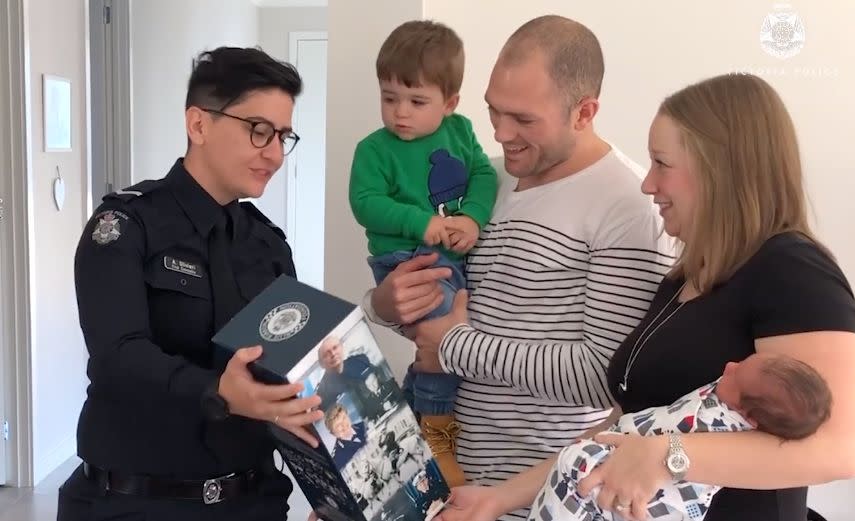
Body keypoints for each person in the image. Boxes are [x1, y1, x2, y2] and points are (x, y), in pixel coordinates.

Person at [432, 73, 855, 521]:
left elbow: (838, 448)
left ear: (719, 169)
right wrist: (501, 497)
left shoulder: (791, 270)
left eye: (661, 163)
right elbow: (625, 427)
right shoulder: (683, 280)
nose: (647, 184)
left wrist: (669, 454)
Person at [365, 15, 675, 520]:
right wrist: (380, 305)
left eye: (524, 120)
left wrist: (453, 345)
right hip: (448, 486)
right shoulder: (487, 179)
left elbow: (605, 378)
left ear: (584, 111)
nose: (501, 133)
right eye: (494, 111)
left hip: (543, 499)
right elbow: (441, 304)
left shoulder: (629, 207)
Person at [57, 46, 325, 521]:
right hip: (133, 504)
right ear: (199, 125)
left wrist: (335, 491)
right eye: (259, 131)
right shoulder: (125, 225)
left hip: (253, 502)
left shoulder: (268, 245)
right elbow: (117, 355)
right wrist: (219, 390)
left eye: (284, 136)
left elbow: (290, 375)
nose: (276, 154)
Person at [349, 19, 499, 487]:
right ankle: (437, 439)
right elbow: (366, 203)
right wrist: (426, 223)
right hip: (406, 258)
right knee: (442, 345)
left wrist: (472, 218)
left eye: (417, 101)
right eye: (389, 98)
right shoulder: (374, 149)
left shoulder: (459, 131)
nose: (400, 114)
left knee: (446, 341)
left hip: (450, 256)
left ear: (450, 102)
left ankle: (412, 418)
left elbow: (484, 176)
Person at [529, 352, 833, 521]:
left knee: (576, 472)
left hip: (641, 499)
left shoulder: (720, 428)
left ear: (749, 418)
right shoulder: (743, 394)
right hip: (621, 460)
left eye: (735, 376)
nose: (729, 366)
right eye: (742, 362)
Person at [315, 336, 396, 421]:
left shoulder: (359, 360)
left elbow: (379, 377)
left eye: (335, 348)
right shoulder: (324, 388)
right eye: (326, 354)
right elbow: (326, 417)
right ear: (322, 364)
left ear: (341, 348)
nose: (333, 354)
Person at [325, 404, 367, 469]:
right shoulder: (337, 459)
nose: (344, 425)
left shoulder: (365, 425)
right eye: (338, 425)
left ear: (347, 415)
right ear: (333, 433)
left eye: (344, 418)